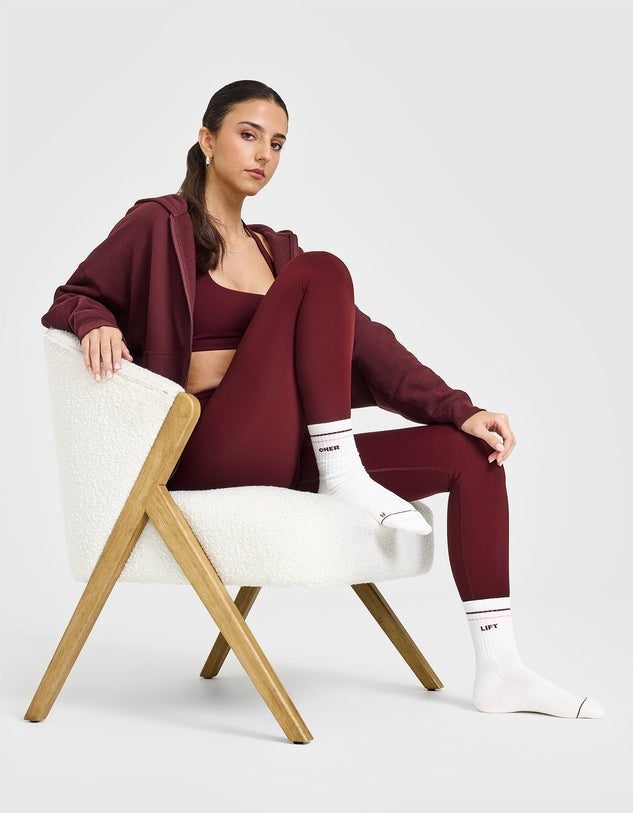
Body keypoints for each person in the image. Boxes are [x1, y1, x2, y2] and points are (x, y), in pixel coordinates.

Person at [42, 79, 603, 719]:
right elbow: (71, 297)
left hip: (292, 444)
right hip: (207, 450)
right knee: (324, 268)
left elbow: (370, 344)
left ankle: (501, 667)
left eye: (278, 144)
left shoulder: (277, 252)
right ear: (207, 141)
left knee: (470, 456)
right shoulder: (159, 226)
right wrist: (96, 320)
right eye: (248, 135)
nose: (264, 154)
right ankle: (342, 472)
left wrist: (461, 409)